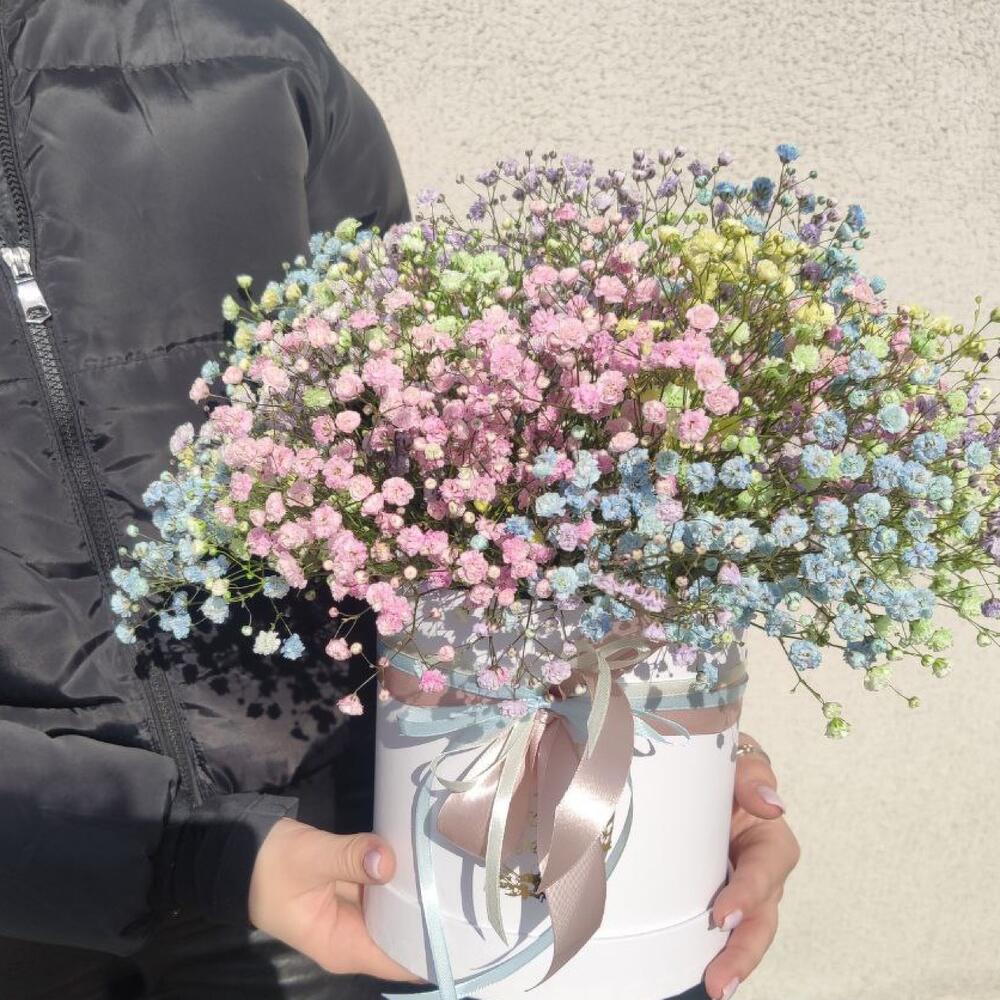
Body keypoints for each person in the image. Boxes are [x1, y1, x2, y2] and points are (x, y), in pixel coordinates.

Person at [0, 2, 799, 999]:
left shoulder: (249, 50)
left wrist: (653, 736)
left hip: (373, 841)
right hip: (39, 902)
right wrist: (177, 847)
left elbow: (445, 458)